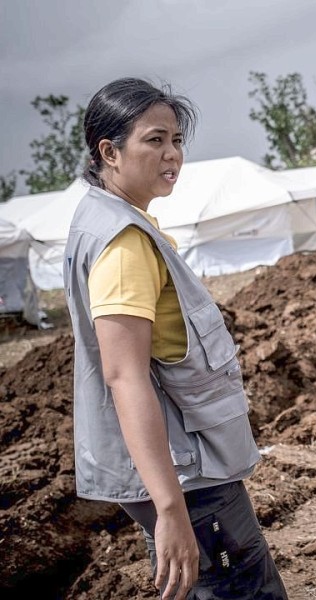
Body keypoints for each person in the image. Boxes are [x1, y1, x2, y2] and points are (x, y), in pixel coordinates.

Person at [63, 77, 288, 600]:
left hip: (183, 469)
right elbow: (124, 376)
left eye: (178, 140)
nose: (173, 154)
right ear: (109, 151)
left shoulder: (108, 219)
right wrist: (169, 508)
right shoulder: (123, 244)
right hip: (189, 476)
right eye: (155, 139)